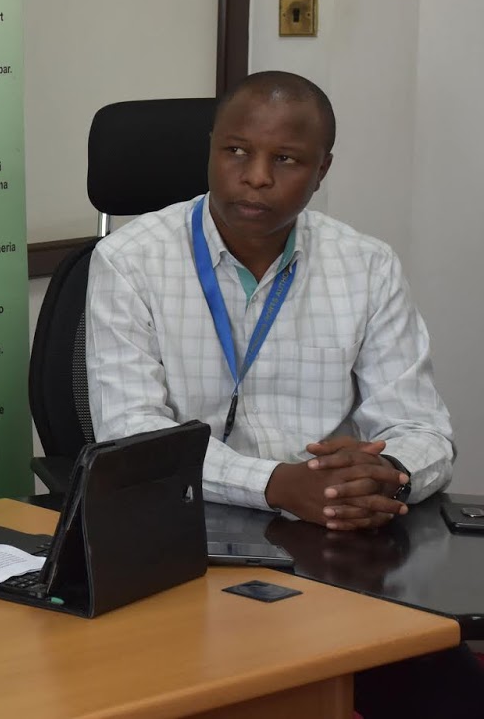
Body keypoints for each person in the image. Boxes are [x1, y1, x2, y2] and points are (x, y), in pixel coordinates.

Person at [85, 71, 476, 717]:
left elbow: (423, 428)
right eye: (236, 151)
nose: (256, 177)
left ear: (322, 171)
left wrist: (388, 474)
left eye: (286, 160)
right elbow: (134, 435)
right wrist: (275, 483)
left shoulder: (366, 266)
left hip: (334, 548)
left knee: (451, 694)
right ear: (211, 150)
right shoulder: (130, 261)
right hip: (185, 546)